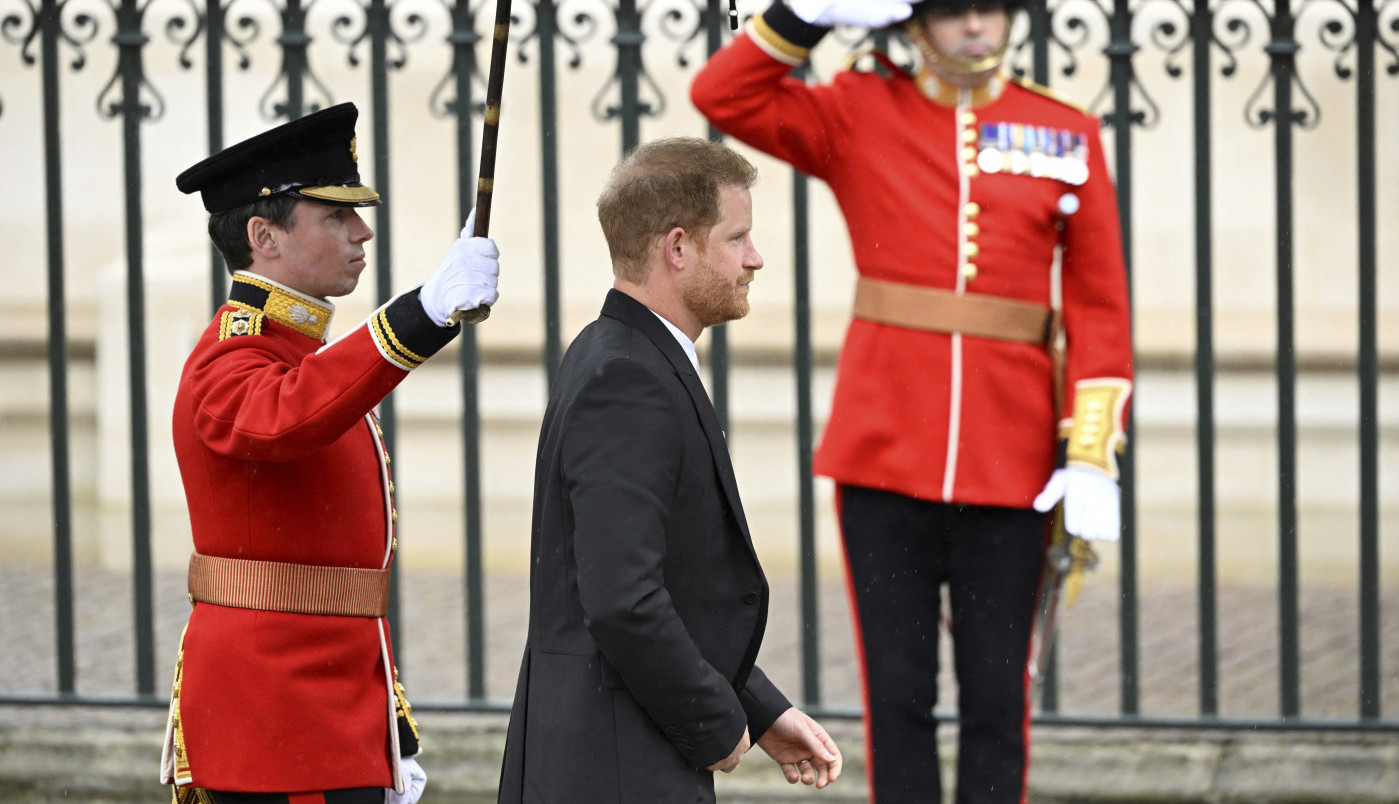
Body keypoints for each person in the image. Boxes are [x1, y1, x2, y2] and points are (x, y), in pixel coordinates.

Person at [693, 2, 1134, 802]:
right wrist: (805, 14)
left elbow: (1100, 306)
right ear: (913, 23)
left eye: (989, 7)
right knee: (897, 698)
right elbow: (725, 96)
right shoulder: (860, 109)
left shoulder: (1062, 131)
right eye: (952, 9)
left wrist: (1091, 449)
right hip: (884, 448)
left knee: (999, 701)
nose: (975, 25)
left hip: (1015, 458)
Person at [160, 102, 501, 804]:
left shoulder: (296, 352)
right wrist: (423, 311)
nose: (361, 230)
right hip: (275, 720)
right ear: (264, 236)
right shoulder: (230, 357)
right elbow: (285, 419)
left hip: (328, 714)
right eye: (335, 216)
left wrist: (387, 725)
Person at [495, 136, 842, 803]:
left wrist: (760, 711)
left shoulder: (626, 353)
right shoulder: (627, 379)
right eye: (737, 237)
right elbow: (624, 599)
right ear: (676, 248)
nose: (755, 257)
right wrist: (715, 723)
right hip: (613, 766)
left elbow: (672, 583)